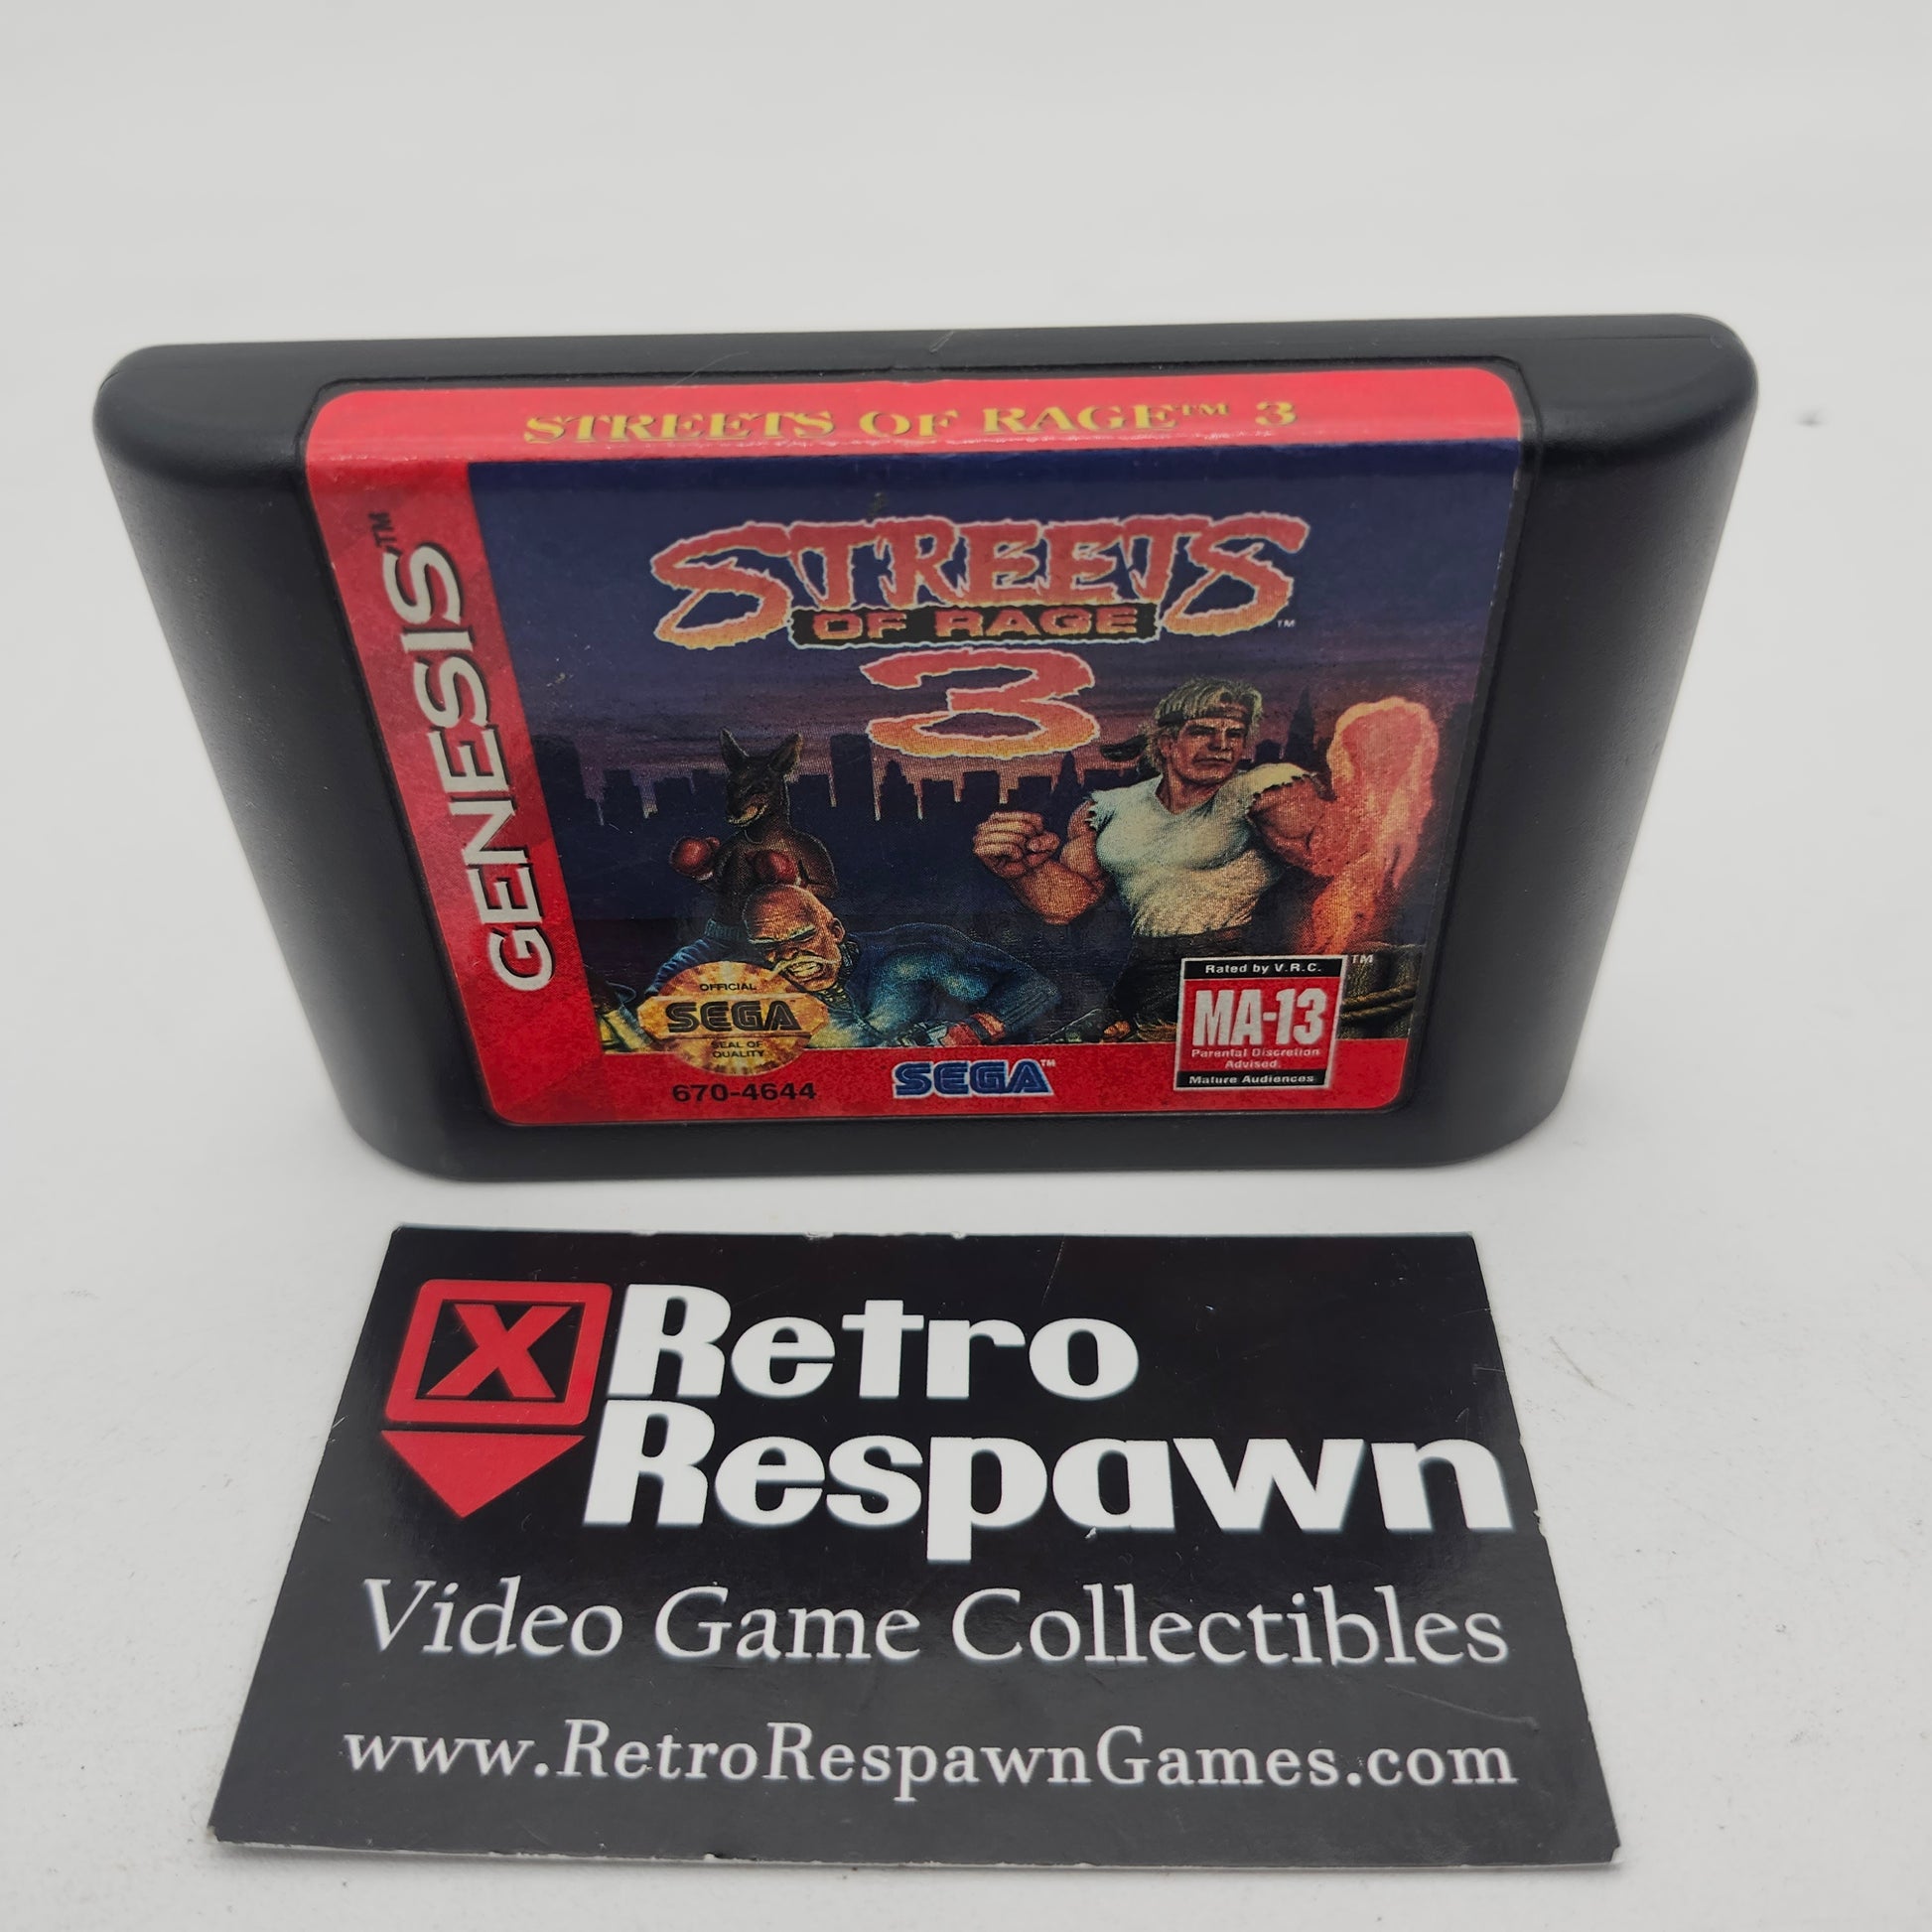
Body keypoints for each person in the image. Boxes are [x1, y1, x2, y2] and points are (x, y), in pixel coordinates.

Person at [971, 676, 1437, 1038]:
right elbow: (1066, 904)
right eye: (1203, 731)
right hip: (1144, 971)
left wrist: (1372, 787)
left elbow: (1332, 857)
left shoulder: (1261, 790)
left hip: (1228, 966)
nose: (1222, 745)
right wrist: (1021, 869)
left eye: (1234, 733)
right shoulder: (1109, 808)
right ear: (1166, 743)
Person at [738, 885, 1057, 1050]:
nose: (789, 955)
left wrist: (974, 1031)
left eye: (802, 937)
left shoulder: (911, 957)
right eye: (769, 947)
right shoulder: (762, 1001)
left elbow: (1035, 987)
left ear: (834, 931)